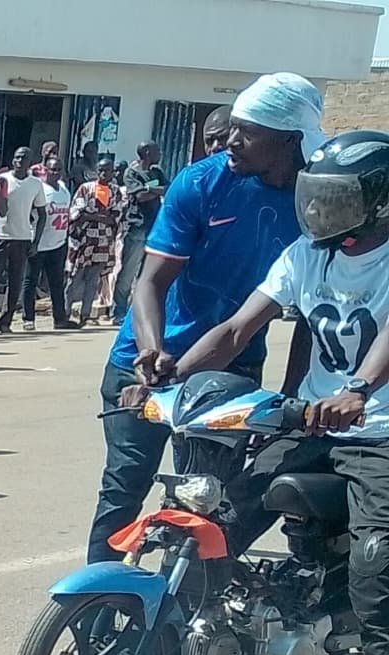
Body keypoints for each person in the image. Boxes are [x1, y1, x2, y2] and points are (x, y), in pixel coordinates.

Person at [137, 129, 389, 655]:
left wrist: (358, 389)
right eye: (317, 196)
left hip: (378, 432)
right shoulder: (307, 254)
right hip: (314, 427)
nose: (321, 210)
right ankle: (205, 651)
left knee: (375, 569)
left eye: (339, 199)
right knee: (220, 522)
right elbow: (235, 331)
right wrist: (173, 373)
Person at [93, 72, 320, 564]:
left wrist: (291, 398)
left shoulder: (316, 201)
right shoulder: (200, 182)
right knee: (124, 491)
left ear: (289, 140)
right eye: (231, 127)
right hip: (145, 365)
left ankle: (185, 626)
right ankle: (96, 625)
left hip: (229, 372)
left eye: (247, 131)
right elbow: (149, 282)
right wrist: (153, 351)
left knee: (210, 502)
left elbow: (307, 317)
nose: (230, 140)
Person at [114, 143, 171, 321]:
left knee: (147, 273)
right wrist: (155, 191)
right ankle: (119, 311)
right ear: (147, 153)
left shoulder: (156, 172)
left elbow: (168, 189)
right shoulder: (131, 173)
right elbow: (138, 196)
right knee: (128, 272)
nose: (160, 153)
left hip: (154, 227)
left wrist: (148, 189)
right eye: (157, 151)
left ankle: (137, 311)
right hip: (136, 226)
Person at [68, 161, 126, 327]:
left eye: (107, 170)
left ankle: (85, 316)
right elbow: (77, 213)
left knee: (93, 279)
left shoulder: (115, 192)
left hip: (104, 241)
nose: (104, 173)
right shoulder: (85, 189)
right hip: (84, 240)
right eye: (100, 170)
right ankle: (65, 312)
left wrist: (92, 215)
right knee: (75, 276)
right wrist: (101, 217)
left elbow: (114, 216)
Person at [0, 147, 43, 332]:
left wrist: (36, 241)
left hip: (22, 238)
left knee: (15, 283)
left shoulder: (35, 184)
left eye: (23, 158)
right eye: (16, 157)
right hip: (0, 235)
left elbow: (42, 213)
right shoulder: (3, 179)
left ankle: (5, 321)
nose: (19, 161)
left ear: (30, 161)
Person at [23, 162, 77, 329]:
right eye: (52, 169)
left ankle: (60, 319)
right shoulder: (40, 189)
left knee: (56, 282)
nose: (56, 173)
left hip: (58, 243)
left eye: (59, 169)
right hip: (38, 243)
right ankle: (28, 319)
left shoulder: (63, 189)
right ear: (45, 171)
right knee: (30, 282)